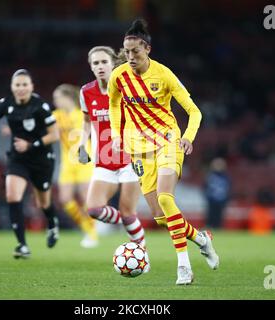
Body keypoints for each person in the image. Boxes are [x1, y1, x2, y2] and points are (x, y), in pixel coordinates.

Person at [108, 19, 219, 285]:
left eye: (135, 51)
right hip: (138, 150)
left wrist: (188, 138)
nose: (130, 57)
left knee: (166, 199)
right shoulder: (118, 76)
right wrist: (115, 134)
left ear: (147, 48)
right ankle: (202, 239)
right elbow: (113, 105)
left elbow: (194, 111)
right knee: (160, 217)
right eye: (127, 51)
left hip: (167, 140)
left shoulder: (164, 75)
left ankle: (184, 267)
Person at [0, 69, 60, 259]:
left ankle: (52, 223)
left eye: (25, 84)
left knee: (43, 202)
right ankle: (22, 245)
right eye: (17, 85)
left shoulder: (40, 106)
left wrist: (31, 144)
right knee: (12, 195)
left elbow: (55, 134)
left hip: (42, 159)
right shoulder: (6, 103)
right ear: (12, 87)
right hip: (18, 159)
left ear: (31, 86)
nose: (21, 88)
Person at [78, 46, 146, 249]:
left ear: (112, 64)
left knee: (128, 211)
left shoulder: (128, 88)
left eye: (103, 62)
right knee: (94, 209)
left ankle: (142, 251)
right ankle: (127, 221)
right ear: (91, 67)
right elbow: (86, 121)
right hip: (104, 160)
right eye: (95, 63)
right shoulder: (86, 92)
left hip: (130, 159)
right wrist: (82, 145)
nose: (100, 66)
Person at [52, 84, 98, 248]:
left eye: (57, 97)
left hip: (84, 160)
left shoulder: (82, 114)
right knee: (65, 199)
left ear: (67, 97)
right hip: (67, 163)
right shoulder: (56, 116)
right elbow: (50, 133)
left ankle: (91, 233)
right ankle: (86, 227)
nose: (55, 101)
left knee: (86, 198)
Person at [204, 158, 231, 229]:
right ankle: (209, 227)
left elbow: (228, 188)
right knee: (210, 214)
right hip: (212, 199)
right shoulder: (210, 176)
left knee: (219, 216)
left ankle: (217, 227)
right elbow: (206, 187)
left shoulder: (225, 177)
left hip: (221, 199)